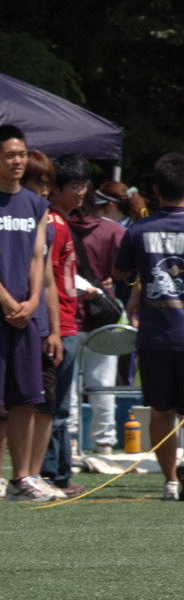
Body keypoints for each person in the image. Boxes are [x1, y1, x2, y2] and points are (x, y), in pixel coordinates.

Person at [0, 124, 53, 502]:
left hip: (25, 314)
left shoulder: (36, 204)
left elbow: (38, 257)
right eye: (10, 155)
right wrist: (4, 300)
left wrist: (32, 301)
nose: (18, 161)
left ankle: (22, 477)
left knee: (26, 400)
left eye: (22, 154)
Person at [114, 153, 184, 500]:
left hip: (155, 335)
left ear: (155, 189)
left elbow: (119, 272)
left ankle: (170, 481)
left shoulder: (139, 229)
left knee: (161, 411)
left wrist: (137, 283)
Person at [63, 158, 125, 459]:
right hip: (104, 316)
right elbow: (127, 271)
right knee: (103, 386)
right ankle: (104, 445)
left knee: (69, 387)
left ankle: (71, 444)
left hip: (68, 316)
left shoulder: (57, 226)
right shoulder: (113, 231)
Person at [38, 153, 88, 498]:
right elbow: (46, 280)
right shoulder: (53, 224)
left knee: (60, 406)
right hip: (61, 326)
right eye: (74, 186)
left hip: (68, 321)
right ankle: (52, 474)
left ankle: (58, 473)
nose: (81, 192)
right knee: (55, 407)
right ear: (56, 189)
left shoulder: (59, 222)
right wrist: (55, 328)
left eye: (84, 185)